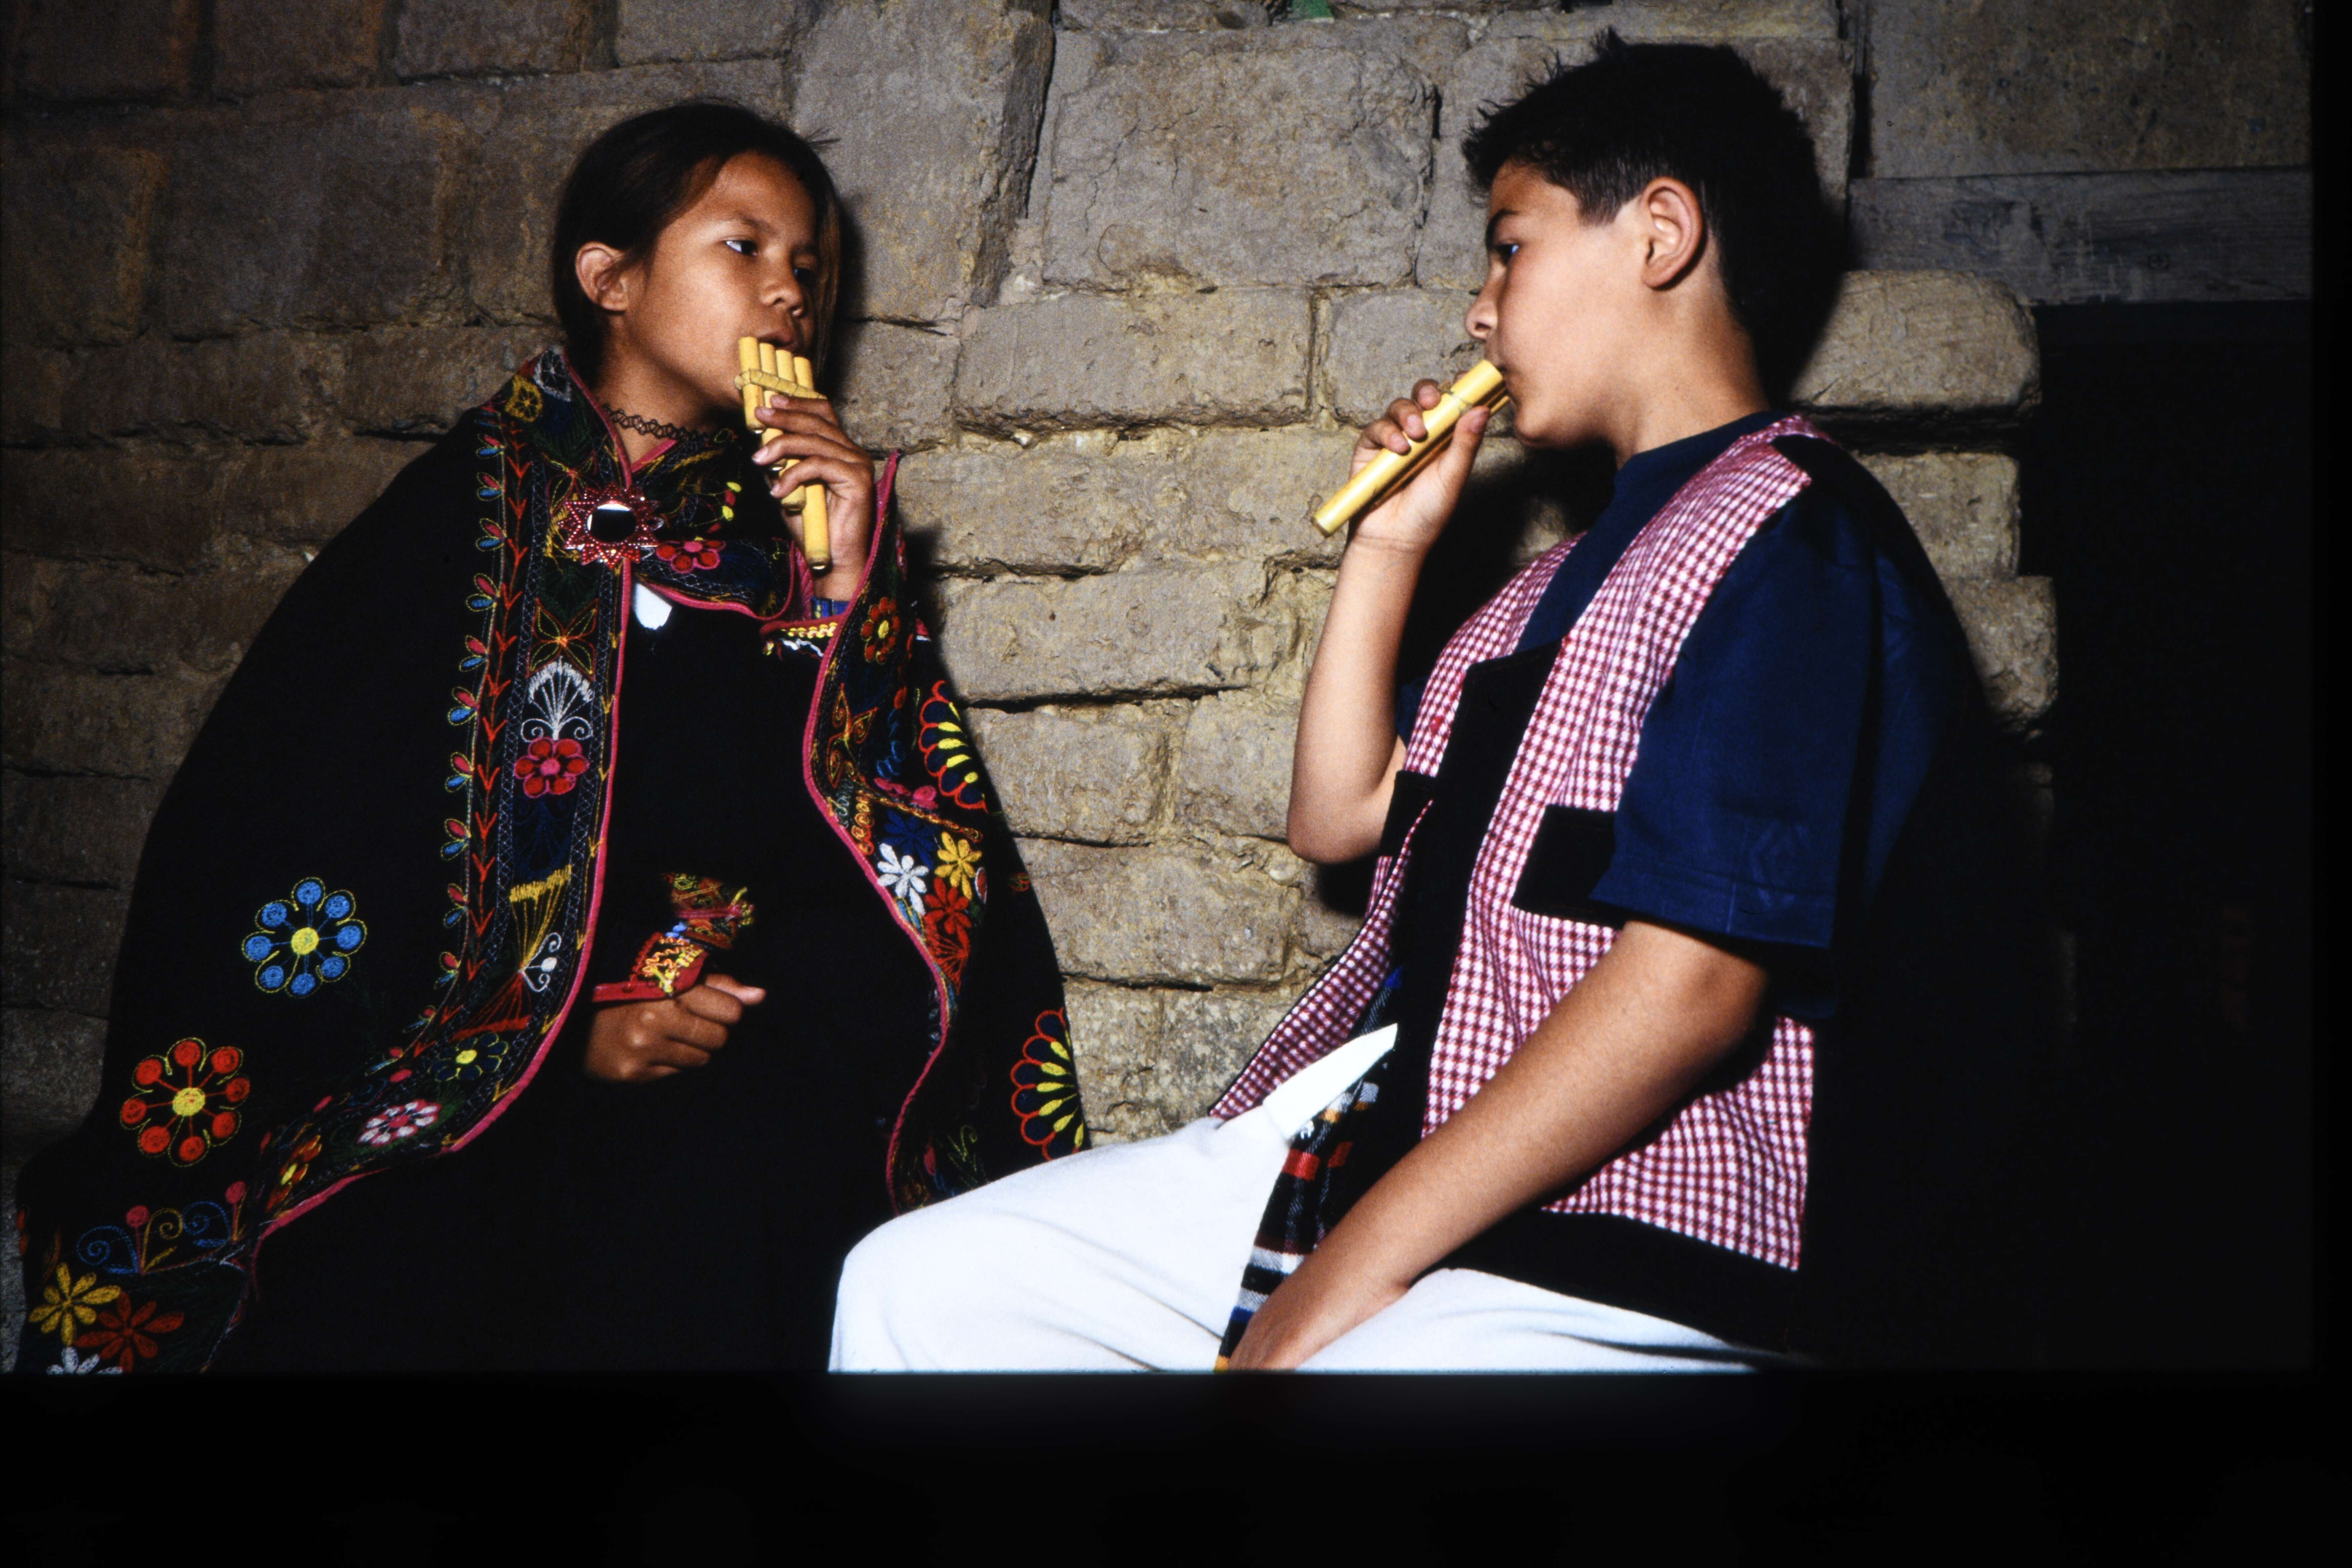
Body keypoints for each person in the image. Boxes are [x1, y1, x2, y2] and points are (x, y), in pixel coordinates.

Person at [830, 35, 2050, 1371]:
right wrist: (1390, 545)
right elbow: (1338, 818)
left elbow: (1694, 990)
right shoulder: (1545, 590)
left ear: (1661, 234)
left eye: (1510, 249)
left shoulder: (1788, 529)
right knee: (917, 1287)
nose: (1479, 311)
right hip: (1384, 1119)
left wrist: (1337, 1281)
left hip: (1637, 1214)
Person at [13, 101, 1086, 1375]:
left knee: (762, 1172)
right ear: (609, 279)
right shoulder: (455, 522)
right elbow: (309, 839)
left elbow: (872, 867)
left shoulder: (797, 540)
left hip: (722, 1043)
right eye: (743, 247)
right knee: (406, 1244)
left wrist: (849, 597)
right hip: (470, 1052)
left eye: (810, 266)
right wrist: (560, 1031)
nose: (789, 293)